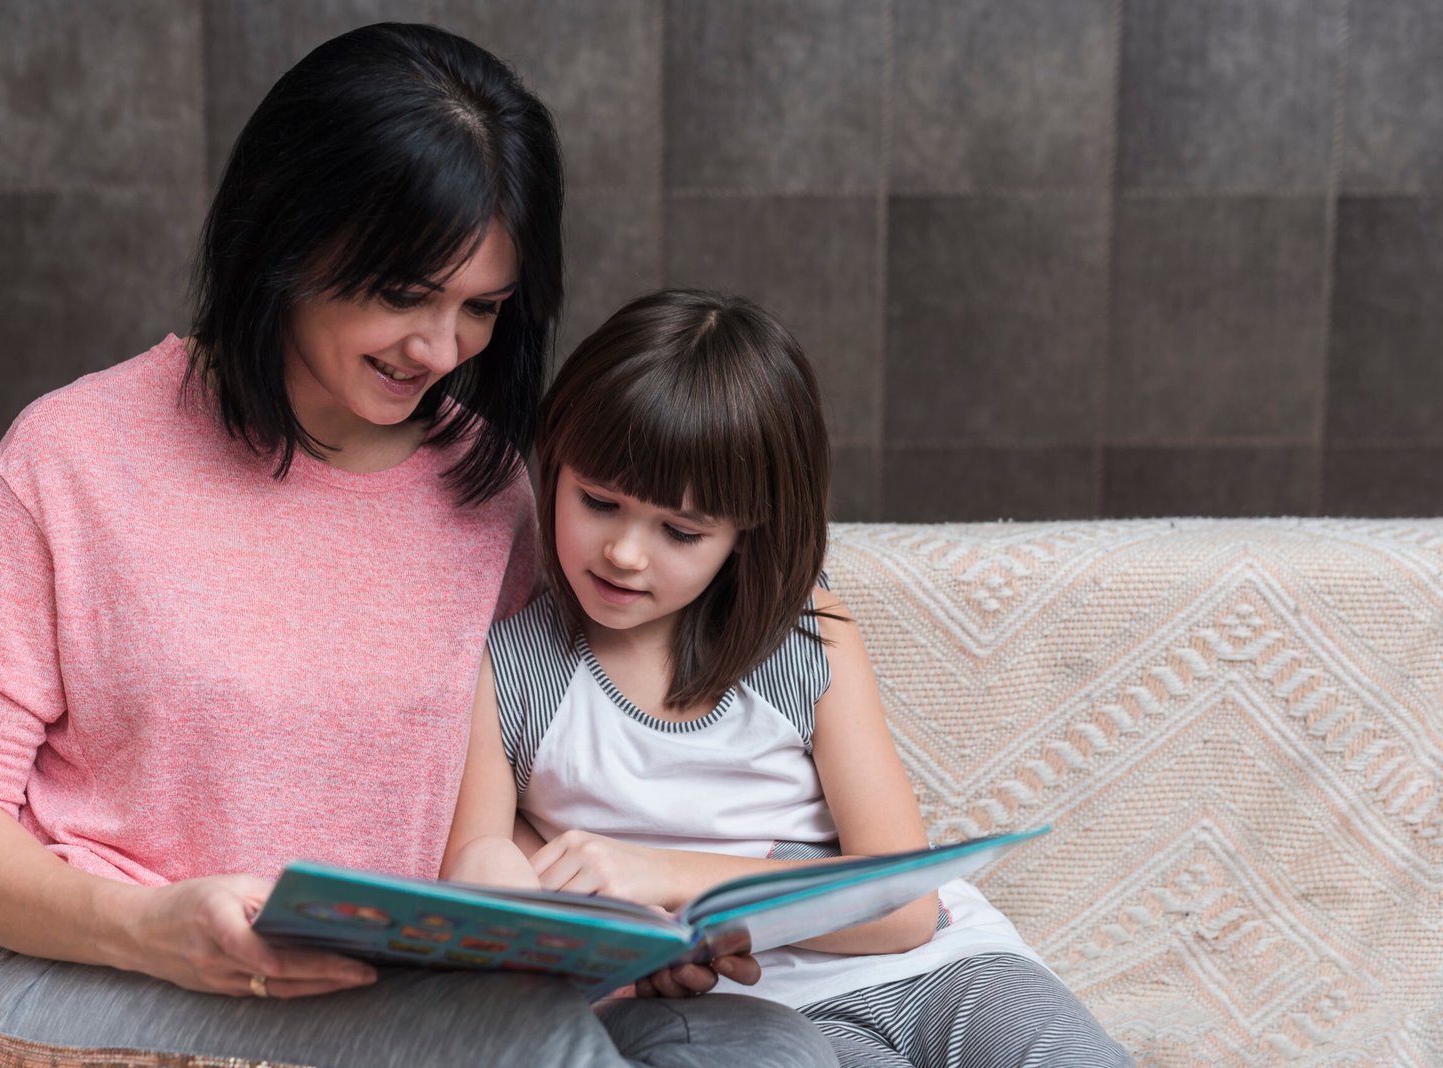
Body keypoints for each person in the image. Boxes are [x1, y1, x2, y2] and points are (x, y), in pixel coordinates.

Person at [0, 25, 837, 1068]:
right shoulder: (67, 461)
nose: (440, 351)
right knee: (536, 1049)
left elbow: (506, 813)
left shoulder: (491, 490)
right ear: (286, 236)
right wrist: (151, 931)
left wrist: (618, 935)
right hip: (86, 971)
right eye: (402, 296)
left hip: (390, 990)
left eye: (480, 309)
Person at [442, 289, 1133, 1067]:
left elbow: (904, 909)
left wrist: (663, 877)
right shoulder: (510, 671)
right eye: (598, 502)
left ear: (743, 535)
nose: (626, 554)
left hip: (941, 968)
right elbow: (483, 871)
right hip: (750, 1013)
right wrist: (614, 948)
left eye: (680, 531)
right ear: (554, 467)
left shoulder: (806, 639)